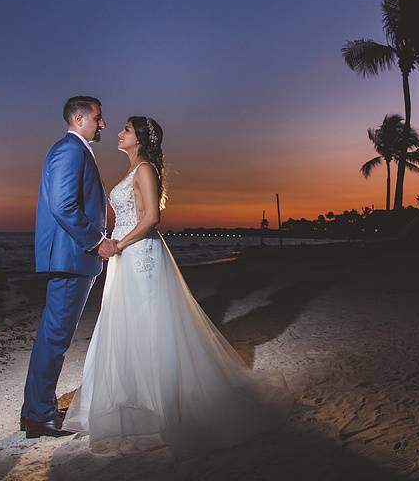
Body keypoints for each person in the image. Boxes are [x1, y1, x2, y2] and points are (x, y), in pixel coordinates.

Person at [63, 115, 293, 459]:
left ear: (140, 138)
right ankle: (136, 399)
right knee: (127, 325)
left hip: (139, 255)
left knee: (149, 325)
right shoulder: (133, 170)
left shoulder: (144, 170)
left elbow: (152, 218)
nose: (119, 132)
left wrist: (118, 245)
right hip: (125, 258)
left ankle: (161, 405)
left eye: (126, 129)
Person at [21, 96, 120, 438]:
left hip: (73, 258)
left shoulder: (75, 150)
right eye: (98, 117)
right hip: (72, 257)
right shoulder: (70, 150)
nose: (103, 124)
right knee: (56, 337)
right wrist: (97, 241)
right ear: (80, 118)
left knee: (54, 335)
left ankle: (35, 411)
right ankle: (38, 416)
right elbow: (63, 206)